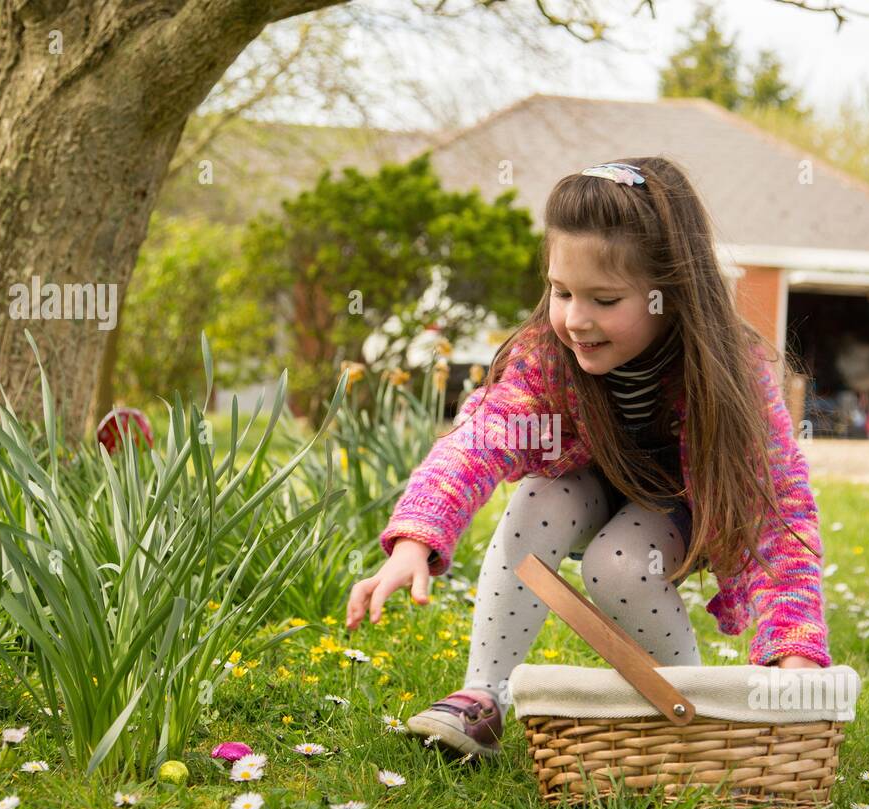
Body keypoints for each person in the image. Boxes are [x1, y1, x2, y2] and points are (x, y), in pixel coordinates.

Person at [345, 157, 831, 759]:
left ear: (669, 297)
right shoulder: (546, 361)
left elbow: (777, 511)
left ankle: (693, 711)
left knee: (619, 564)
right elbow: (478, 441)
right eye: (561, 291)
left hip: (672, 506)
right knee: (538, 497)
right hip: (584, 486)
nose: (576, 319)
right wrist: (418, 538)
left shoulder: (731, 378)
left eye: (604, 298)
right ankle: (482, 697)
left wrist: (795, 645)